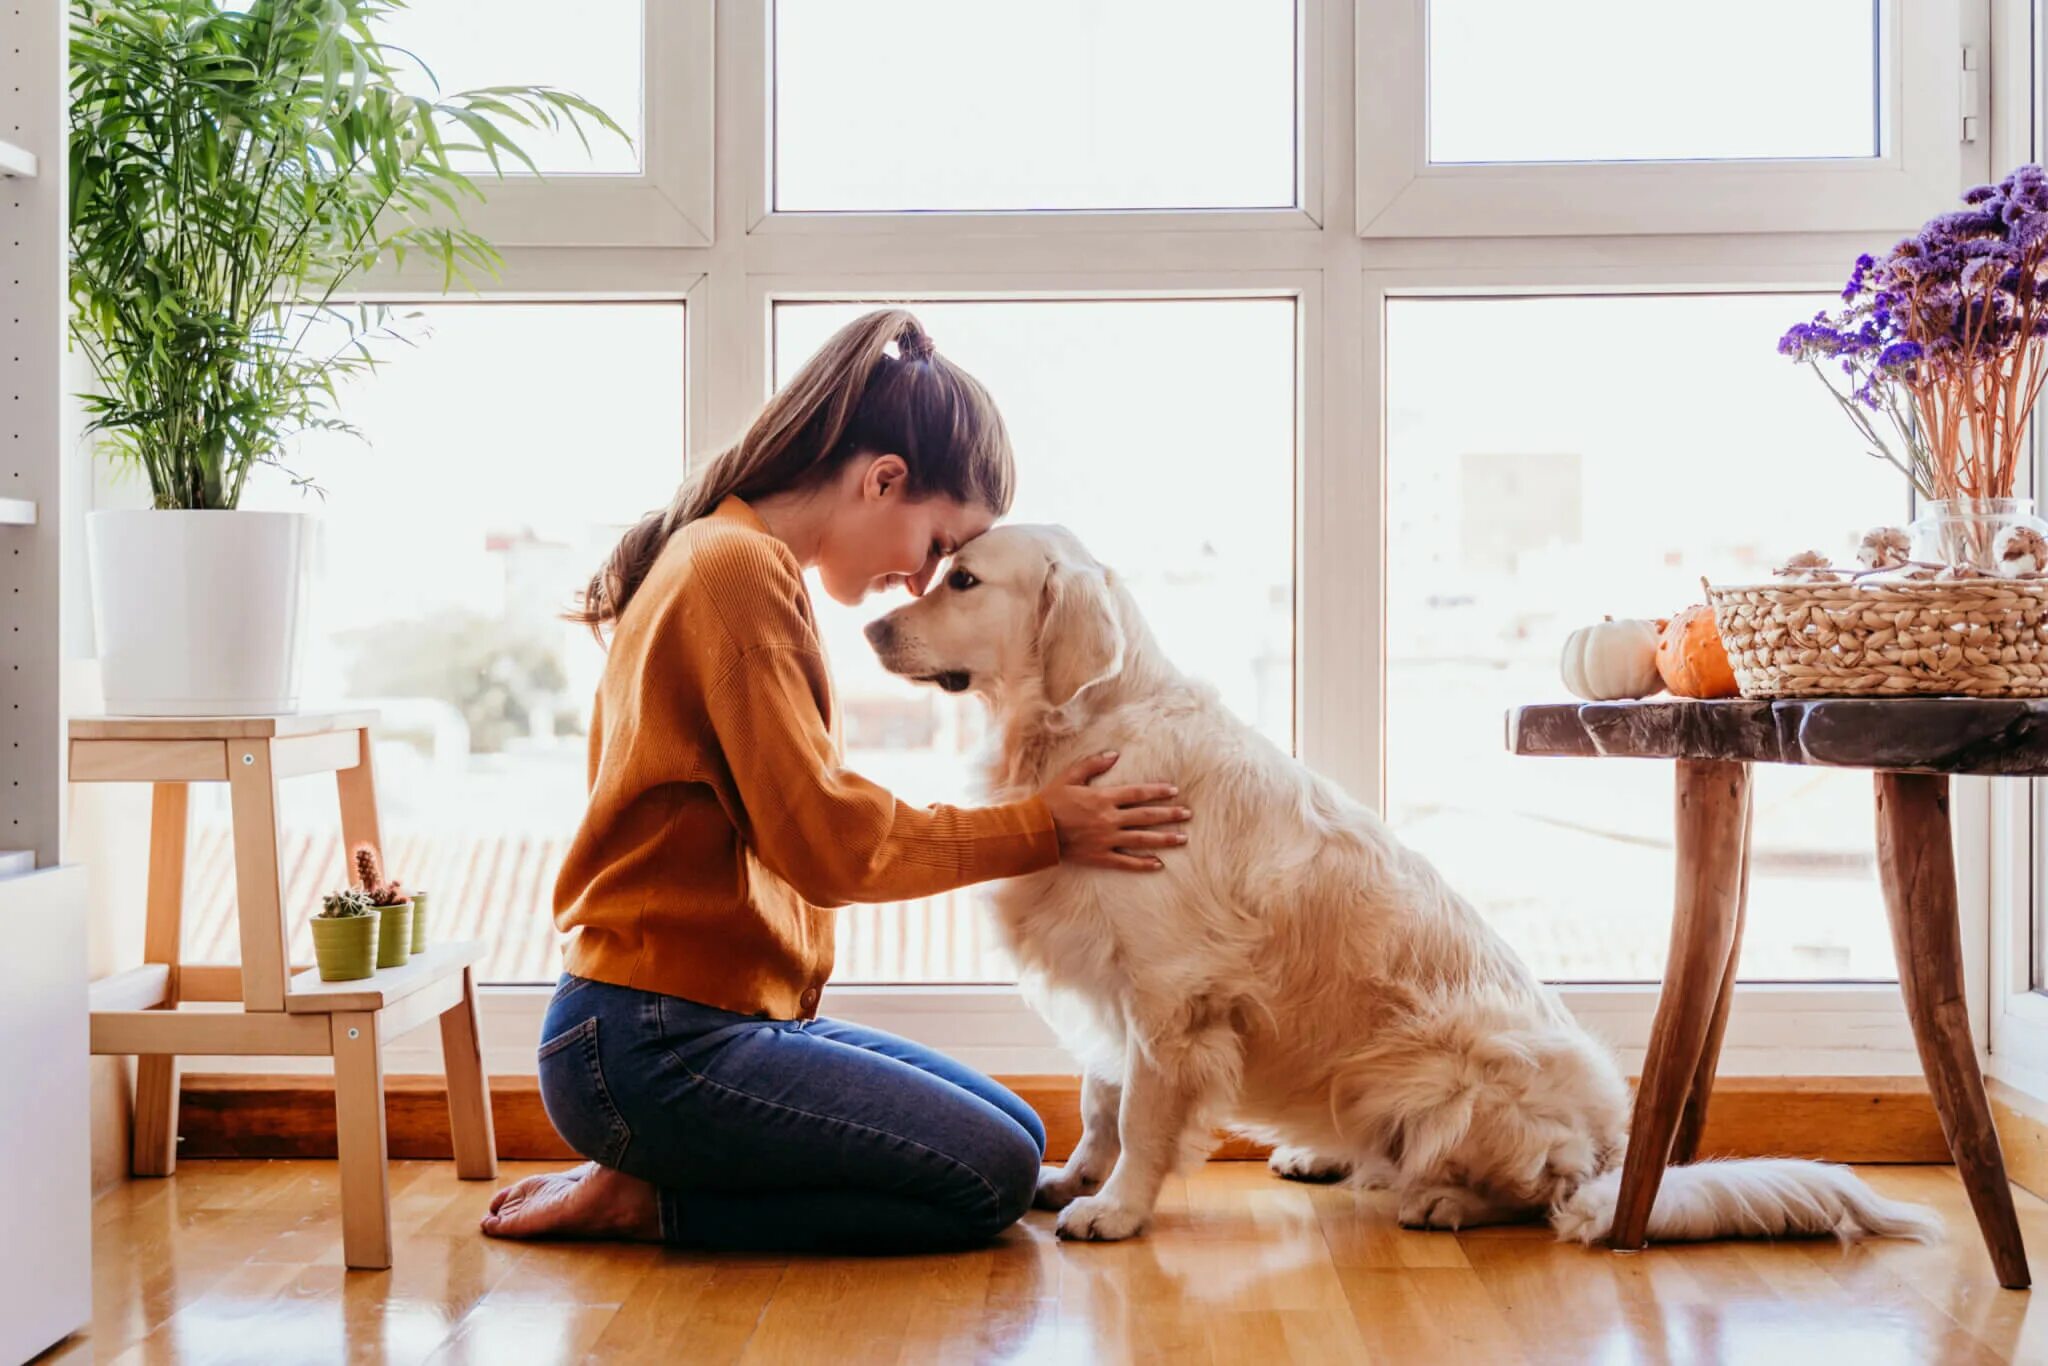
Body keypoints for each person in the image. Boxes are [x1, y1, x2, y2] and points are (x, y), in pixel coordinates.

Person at [480, 308, 1189, 1251]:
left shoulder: (731, 555)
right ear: (882, 478)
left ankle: (654, 1165)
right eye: (938, 546)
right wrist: (1043, 826)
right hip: (650, 1044)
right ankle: (651, 1198)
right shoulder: (734, 573)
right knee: (990, 1178)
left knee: (1020, 1135)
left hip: (696, 1025)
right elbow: (830, 846)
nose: (920, 581)